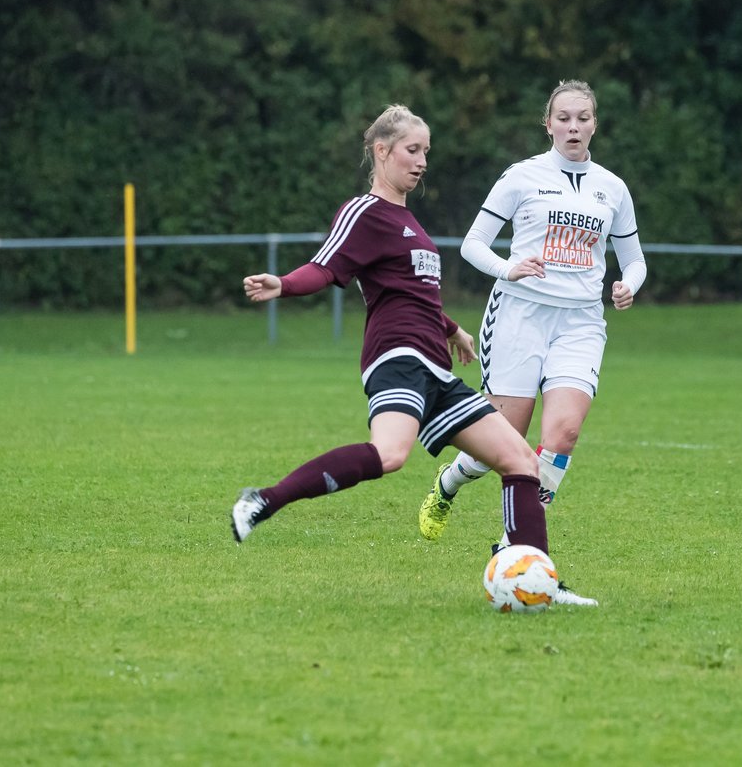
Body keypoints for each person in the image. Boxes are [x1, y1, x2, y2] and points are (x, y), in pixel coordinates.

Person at [229, 104, 572, 589]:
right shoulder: (364, 212)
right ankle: (262, 500)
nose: (422, 161)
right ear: (381, 150)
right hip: (399, 358)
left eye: (426, 151)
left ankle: (541, 584)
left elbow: (412, 292)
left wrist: (451, 329)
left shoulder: (410, 223)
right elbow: (327, 268)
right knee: (390, 455)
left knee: (521, 461)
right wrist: (282, 284)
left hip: (434, 364)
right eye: (412, 150)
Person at [417, 80, 647, 605]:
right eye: (563, 118)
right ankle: (449, 485)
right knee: (507, 442)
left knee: (562, 433)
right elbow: (473, 244)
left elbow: (634, 258)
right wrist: (509, 268)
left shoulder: (612, 187)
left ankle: (518, 550)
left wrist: (626, 286)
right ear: (548, 124)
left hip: (581, 323)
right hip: (519, 317)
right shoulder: (522, 177)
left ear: (594, 123)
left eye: (582, 118)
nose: (573, 127)